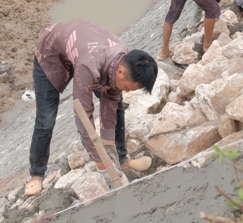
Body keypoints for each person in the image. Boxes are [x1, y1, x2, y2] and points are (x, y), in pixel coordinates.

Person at [25, 20, 158, 195]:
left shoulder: (124, 57)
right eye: (127, 87)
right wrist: (98, 158)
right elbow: (82, 113)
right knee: (46, 118)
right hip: (52, 52)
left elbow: (110, 100)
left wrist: (108, 148)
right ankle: (36, 175)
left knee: (116, 104)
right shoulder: (90, 65)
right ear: (121, 72)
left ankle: (122, 159)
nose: (125, 90)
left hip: (82, 51)